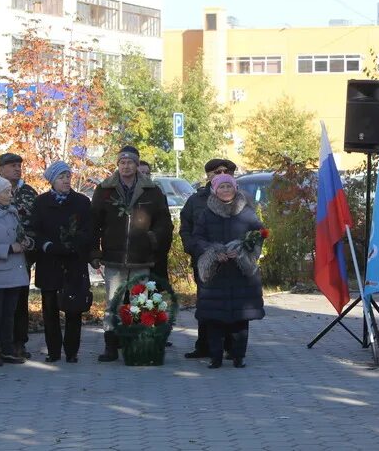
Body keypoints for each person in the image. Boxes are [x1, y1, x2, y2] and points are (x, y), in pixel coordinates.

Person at [91, 145, 173, 362]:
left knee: (141, 302)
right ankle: (111, 344)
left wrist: (153, 240)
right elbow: (93, 223)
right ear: (117, 165)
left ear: (137, 165)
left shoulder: (152, 191)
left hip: (141, 257)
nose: (126, 166)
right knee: (113, 302)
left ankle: (138, 344)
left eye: (130, 162)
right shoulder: (105, 190)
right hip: (114, 257)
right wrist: (95, 251)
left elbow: (164, 222)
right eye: (122, 162)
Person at [191, 174, 265, 369]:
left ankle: (238, 356)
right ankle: (215, 357)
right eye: (221, 187)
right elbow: (197, 238)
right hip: (215, 273)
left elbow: (259, 234)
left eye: (228, 186)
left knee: (240, 320)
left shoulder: (247, 212)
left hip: (241, 273)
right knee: (214, 319)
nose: (225, 190)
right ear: (215, 190)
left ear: (235, 188)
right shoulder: (206, 214)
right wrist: (214, 252)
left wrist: (243, 248)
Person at [0, 152, 38, 359]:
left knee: (15, 309)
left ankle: (14, 345)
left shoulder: (24, 196)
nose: (17, 169)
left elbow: (30, 225)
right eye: (12, 165)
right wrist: (10, 248)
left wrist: (28, 243)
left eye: (19, 165)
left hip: (18, 265)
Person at [31, 161, 93, 363]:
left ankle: (72, 351)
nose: (66, 180)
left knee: (73, 309)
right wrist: (47, 245)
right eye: (61, 177)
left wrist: (74, 245)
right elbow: (35, 230)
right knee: (50, 310)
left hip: (73, 262)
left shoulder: (81, 202)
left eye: (68, 176)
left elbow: (89, 230)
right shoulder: (41, 202)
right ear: (52, 181)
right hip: (49, 262)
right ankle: (53, 351)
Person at [180, 158, 237, 359]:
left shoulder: (238, 197)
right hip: (205, 259)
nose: (222, 175)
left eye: (226, 171)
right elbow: (186, 229)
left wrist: (240, 250)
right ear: (208, 175)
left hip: (232, 260)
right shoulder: (196, 200)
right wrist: (194, 249)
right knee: (206, 303)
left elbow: (250, 229)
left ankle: (231, 346)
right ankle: (204, 345)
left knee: (231, 303)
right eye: (216, 172)